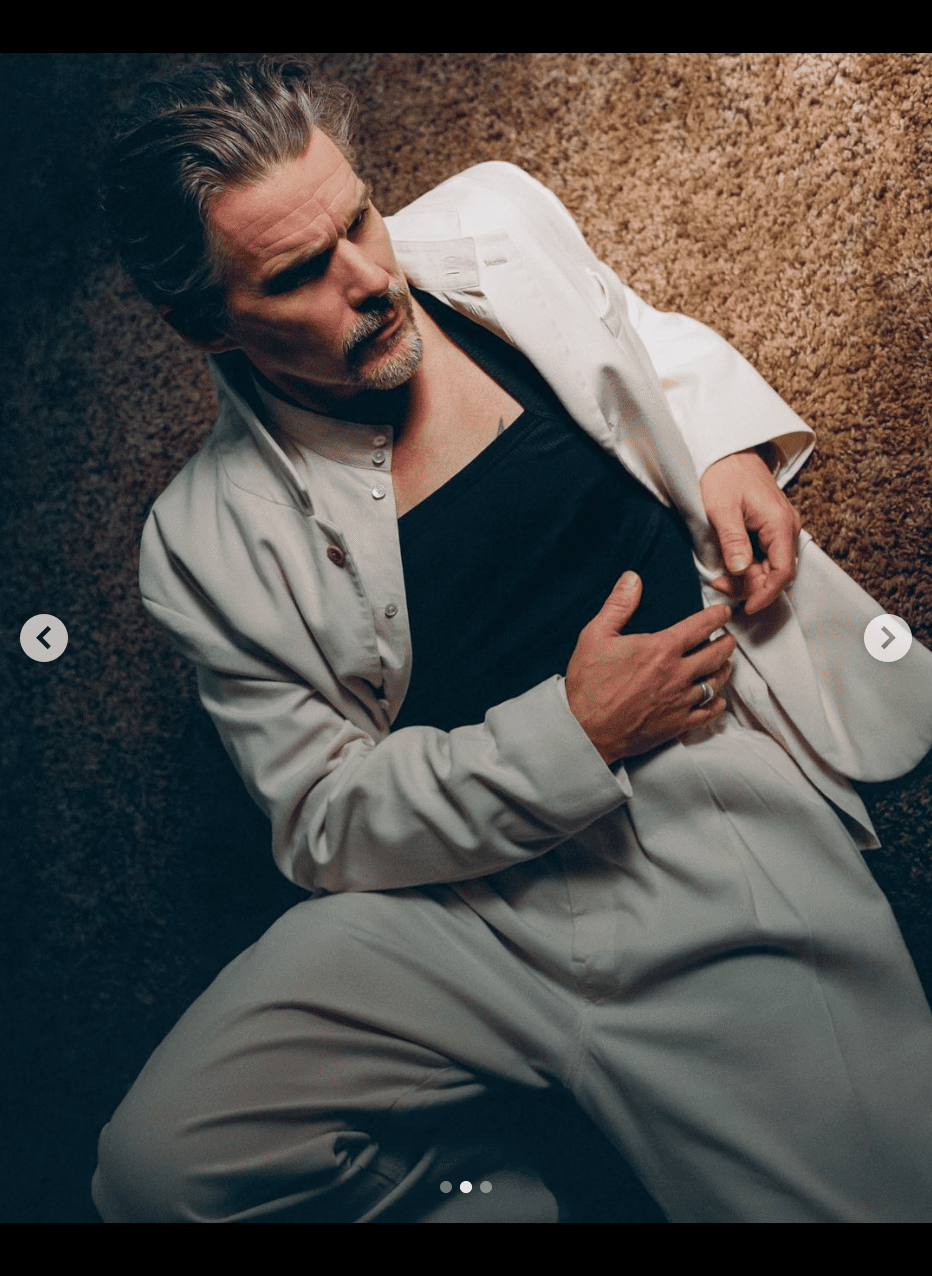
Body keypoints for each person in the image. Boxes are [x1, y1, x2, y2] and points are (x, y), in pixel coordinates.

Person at [93, 58, 932, 1223]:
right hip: (444, 909)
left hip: (690, 816)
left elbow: (627, 336)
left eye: (358, 219)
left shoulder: (492, 220)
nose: (370, 279)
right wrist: (567, 733)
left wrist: (720, 445)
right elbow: (322, 817)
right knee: (157, 1174)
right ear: (205, 325)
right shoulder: (195, 542)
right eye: (297, 274)